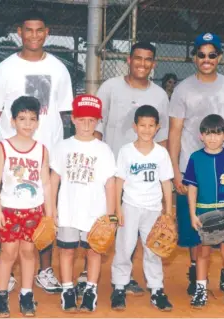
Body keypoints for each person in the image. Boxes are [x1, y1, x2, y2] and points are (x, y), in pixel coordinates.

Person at [0, 9, 73, 294]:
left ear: (47, 32)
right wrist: (13, 145)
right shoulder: (5, 69)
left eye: (39, 30)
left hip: (46, 153)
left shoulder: (59, 68)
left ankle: (44, 270)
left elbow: (64, 110)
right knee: (10, 210)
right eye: (28, 30)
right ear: (19, 32)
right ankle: (7, 270)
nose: (34, 35)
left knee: (43, 213)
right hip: (13, 156)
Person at [168, 32, 224, 296]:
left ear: (220, 57)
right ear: (194, 57)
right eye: (201, 54)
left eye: (212, 55)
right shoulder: (182, 89)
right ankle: (197, 273)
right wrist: (175, 171)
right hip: (192, 167)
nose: (206, 59)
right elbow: (174, 132)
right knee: (196, 226)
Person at [89, 42, 169, 295]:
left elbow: (163, 135)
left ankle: (126, 278)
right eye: (138, 58)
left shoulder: (159, 95)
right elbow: (97, 127)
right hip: (113, 169)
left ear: (154, 64)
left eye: (148, 60)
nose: (142, 64)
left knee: (135, 225)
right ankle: (89, 270)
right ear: (128, 59)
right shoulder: (110, 87)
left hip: (142, 174)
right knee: (106, 220)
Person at [50, 95, 116, 312]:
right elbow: (54, 180)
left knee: (93, 252)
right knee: (66, 251)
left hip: (95, 213)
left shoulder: (103, 149)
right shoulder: (63, 147)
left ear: (98, 121)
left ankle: (90, 289)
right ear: (73, 119)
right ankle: (68, 289)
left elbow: (110, 183)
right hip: (68, 210)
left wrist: (111, 216)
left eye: (92, 120)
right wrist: (50, 210)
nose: (87, 125)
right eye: (82, 119)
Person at [0, 96, 52, 317]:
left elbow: (45, 182)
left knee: (28, 251)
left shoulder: (41, 150)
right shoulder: (4, 147)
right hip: (8, 210)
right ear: (13, 121)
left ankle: (26, 295)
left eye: (32, 119)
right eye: (22, 118)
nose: (27, 124)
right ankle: (1, 297)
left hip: (33, 210)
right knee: (8, 253)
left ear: (38, 122)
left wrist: (50, 214)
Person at [182, 114, 224, 311]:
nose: (213, 138)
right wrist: (193, 214)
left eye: (217, 134)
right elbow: (192, 188)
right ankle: (201, 290)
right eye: (208, 134)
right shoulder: (195, 158)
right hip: (203, 213)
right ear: (201, 136)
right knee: (202, 253)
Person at [110, 105, 174, 312]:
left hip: (153, 208)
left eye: (151, 125)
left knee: (153, 248)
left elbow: (166, 182)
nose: (147, 129)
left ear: (158, 127)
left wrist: (169, 211)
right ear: (134, 126)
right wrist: (117, 208)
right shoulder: (126, 151)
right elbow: (119, 180)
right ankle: (119, 286)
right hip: (130, 206)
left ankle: (156, 289)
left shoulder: (161, 153)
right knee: (125, 246)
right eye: (142, 125)